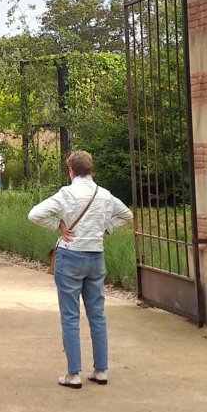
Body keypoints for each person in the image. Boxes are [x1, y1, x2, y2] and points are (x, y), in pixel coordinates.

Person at [28, 150, 132, 389]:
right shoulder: (104, 195)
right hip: (96, 257)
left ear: (71, 170)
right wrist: (107, 228)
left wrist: (58, 224)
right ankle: (101, 370)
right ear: (90, 169)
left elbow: (34, 214)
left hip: (70, 256)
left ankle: (73, 374)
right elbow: (127, 215)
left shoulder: (67, 193)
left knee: (70, 316)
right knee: (97, 314)